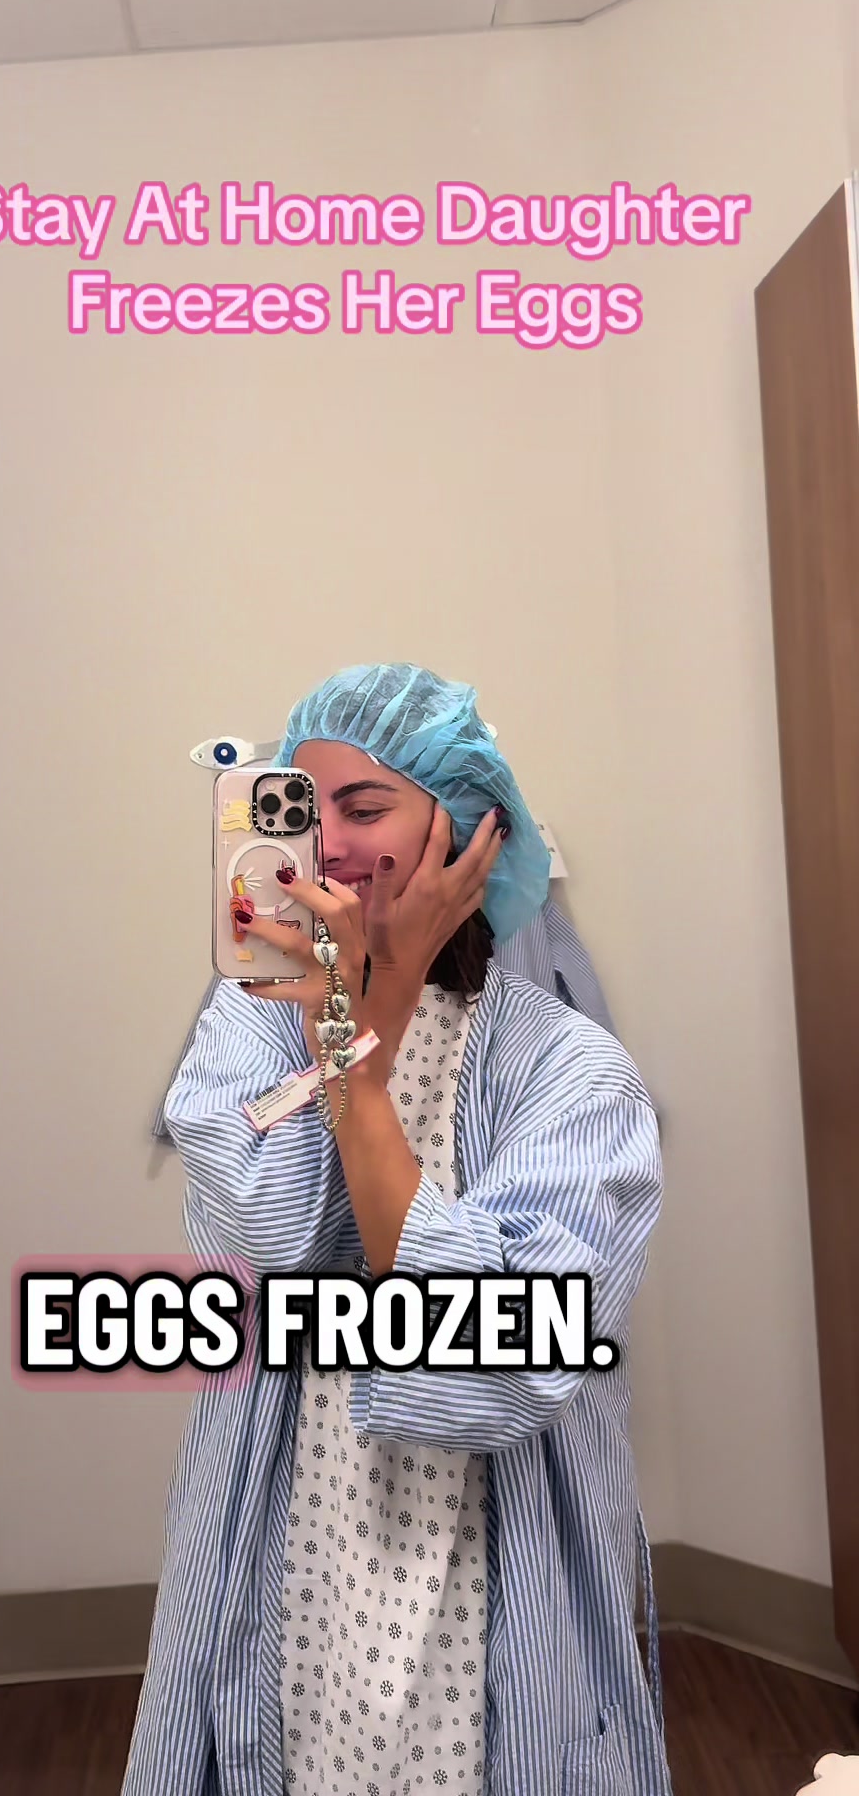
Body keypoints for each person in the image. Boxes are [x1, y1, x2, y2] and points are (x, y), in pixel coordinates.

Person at [120, 663, 672, 1796]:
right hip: (294, 1526)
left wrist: (359, 1073)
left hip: (481, 1546)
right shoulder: (251, 1025)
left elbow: (488, 1366)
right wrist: (354, 1017)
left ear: (467, 834)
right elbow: (274, 1227)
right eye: (301, 809)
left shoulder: (572, 1075)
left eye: (364, 808)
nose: (325, 845)